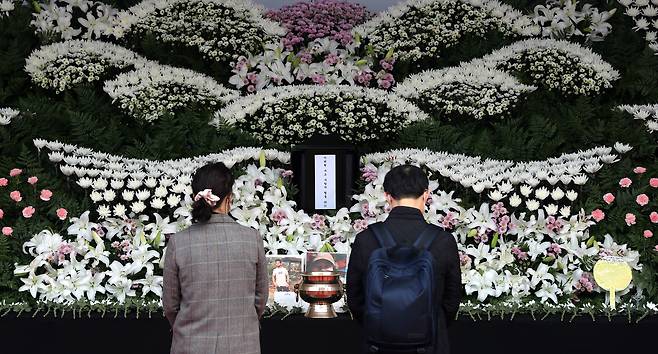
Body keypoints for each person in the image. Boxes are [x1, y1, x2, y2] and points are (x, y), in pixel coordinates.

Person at [346, 164, 462, 354]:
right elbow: (451, 300)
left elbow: (355, 298)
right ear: (426, 194)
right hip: (430, 344)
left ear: (387, 196)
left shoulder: (366, 239)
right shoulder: (443, 241)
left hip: (377, 344)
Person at [163, 162, 268, 354]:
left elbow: (170, 306)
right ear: (229, 198)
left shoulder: (179, 242)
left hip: (191, 345)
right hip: (242, 344)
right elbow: (260, 300)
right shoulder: (252, 239)